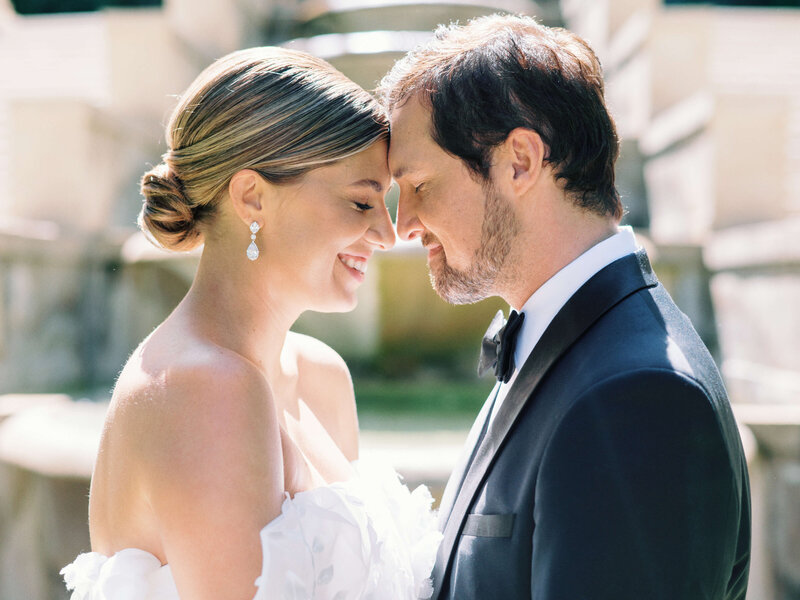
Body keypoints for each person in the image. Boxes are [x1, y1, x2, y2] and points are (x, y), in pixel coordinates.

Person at [378, 13, 751, 600]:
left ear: (520, 161)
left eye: (419, 185)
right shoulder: (569, 341)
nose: (403, 225)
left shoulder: (640, 397)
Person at [61, 47, 440, 600]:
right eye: (362, 204)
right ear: (252, 197)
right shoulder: (206, 389)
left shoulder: (320, 375)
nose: (388, 234)